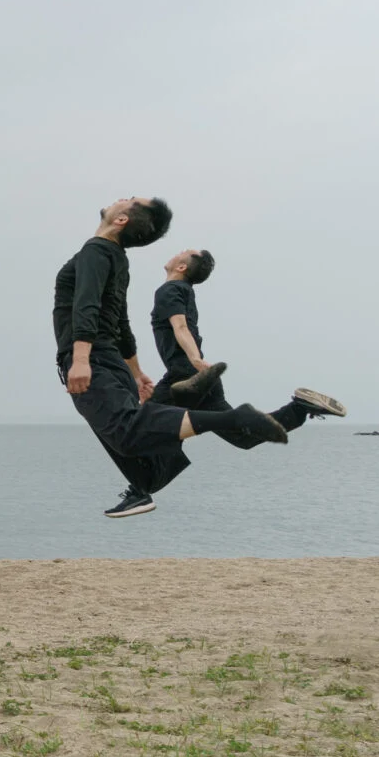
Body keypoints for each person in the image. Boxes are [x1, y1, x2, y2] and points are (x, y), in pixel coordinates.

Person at [54, 198, 287, 520]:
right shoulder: (115, 258)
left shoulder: (96, 250)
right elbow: (120, 322)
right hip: (109, 359)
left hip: (91, 358)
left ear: (121, 219)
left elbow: (87, 305)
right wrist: (135, 372)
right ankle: (141, 490)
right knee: (129, 443)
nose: (123, 197)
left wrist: (81, 359)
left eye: (130, 200)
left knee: (126, 433)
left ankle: (235, 418)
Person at [147, 248, 346, 448]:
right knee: (241, 437)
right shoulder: (183, 290)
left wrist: (195, 359)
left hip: (186, 374)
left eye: (183, 252)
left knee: (139, 426)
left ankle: (147, 477)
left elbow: (180, 326)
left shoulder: (170, 289)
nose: (177, 252)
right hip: (202, 374)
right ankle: (299, 409)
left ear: (182, 267)